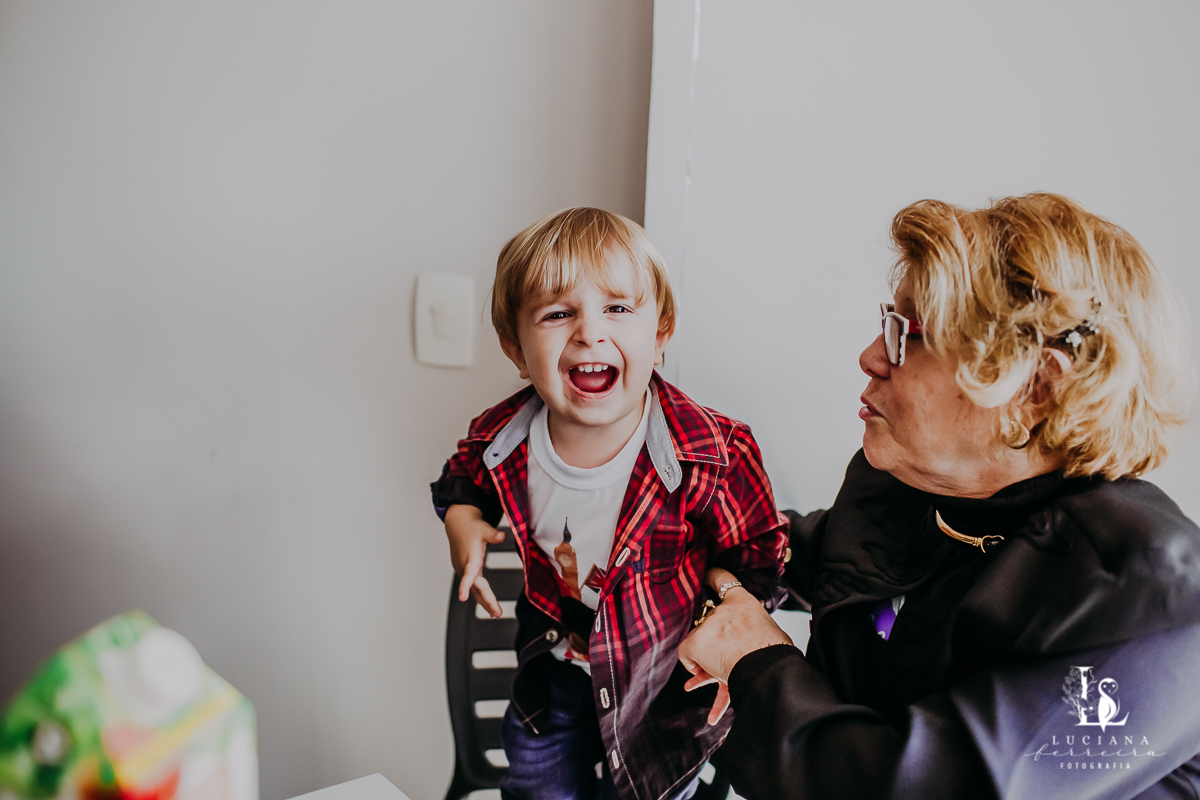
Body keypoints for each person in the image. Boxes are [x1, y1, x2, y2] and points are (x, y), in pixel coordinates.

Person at [678, 193, 1200, 799]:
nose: (871, 356)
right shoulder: (906, 484)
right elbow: (811, 558)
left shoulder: (1150, 595)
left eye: (906, 334)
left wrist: (756, 664)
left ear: (1035, 386)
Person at [431, 208, 788, 800]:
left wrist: (725, 611)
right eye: (557, 313)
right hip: (556, 671)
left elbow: (760, 557)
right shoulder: (502, 440)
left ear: (661, 331)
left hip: (661, 685)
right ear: (517, 350)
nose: (589, 332)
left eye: (618, 309)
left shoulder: (711, 454)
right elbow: (461, 477)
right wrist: (463, 520)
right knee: (536, 785)